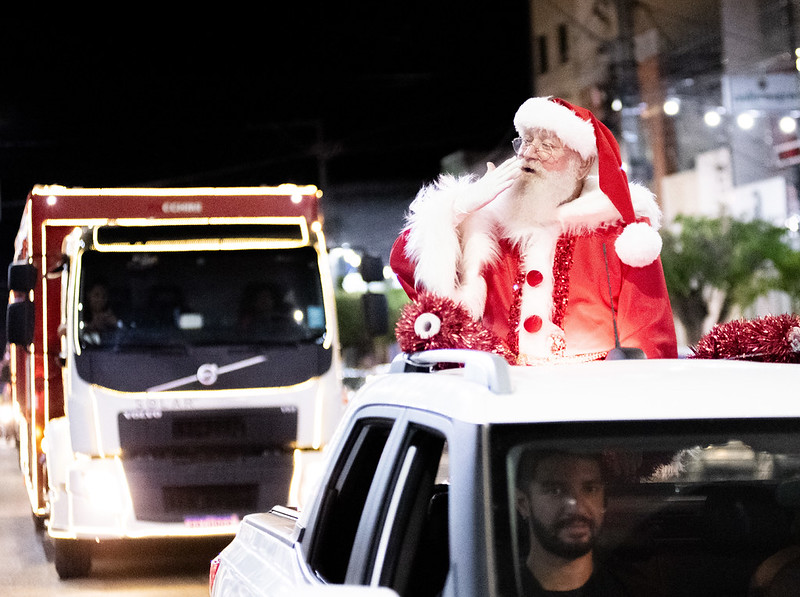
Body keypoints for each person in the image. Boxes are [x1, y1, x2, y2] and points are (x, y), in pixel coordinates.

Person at [390, 97, 678, 363]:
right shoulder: (492, 229)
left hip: (586, 401)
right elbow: (406, 264)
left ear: (583, 164)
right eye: (525, 142)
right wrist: (460, 209)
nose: (529, 153)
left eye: (547, 146)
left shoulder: (619, 233)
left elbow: (651, 337)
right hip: (503, 399)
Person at [515, 450, 627, 596]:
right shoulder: (490, 587)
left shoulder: (630, 588)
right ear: (522, 503)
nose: (577, 508)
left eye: (590, 489)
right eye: (555, 490)